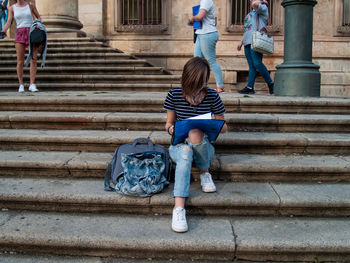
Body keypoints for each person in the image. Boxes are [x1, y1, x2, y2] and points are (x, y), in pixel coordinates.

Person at [163, 57, 228, 233]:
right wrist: (173, 129)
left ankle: (204, 172)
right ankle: (179, 209)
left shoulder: (212, 95)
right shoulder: (174, 94)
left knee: (195, 132)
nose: (202, 84)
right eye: (199, 80)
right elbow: (168, 124)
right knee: (185, 149)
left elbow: (224, 126)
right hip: (179, 145)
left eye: (205, 79)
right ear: (188, 78)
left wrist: (213, 124)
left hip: (203, 145)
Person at [0, 0, 41, 93]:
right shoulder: (12, 8)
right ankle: (21, 84)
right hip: (20, 32)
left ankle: (32, 84)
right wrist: (3, 30)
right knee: (20, 61)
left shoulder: (30, 5)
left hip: (31, 32)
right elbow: (8, 21)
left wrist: (38, 24)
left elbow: (38, 17)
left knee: (33, 59)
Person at [237, 0, 274, 95]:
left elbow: (255, 4)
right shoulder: (250, 13)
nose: (251, 1)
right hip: (247, 42)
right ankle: (250, 87)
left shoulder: (263, 9)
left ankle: (270, 83)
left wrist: (261, 1)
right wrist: (241, 42)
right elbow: (247, 29)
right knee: (252, 66)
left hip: (256, 41)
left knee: (257, 63)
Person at [188, 0, 225, 93]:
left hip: (208, 33)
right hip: (201, 33)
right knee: (197, 60)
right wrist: (192, 21)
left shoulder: (206, 0)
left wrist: (192, 18)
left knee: (211, 60)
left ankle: (220, 86)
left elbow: (200, 16)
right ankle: (199, 85)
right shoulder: (203, 2)